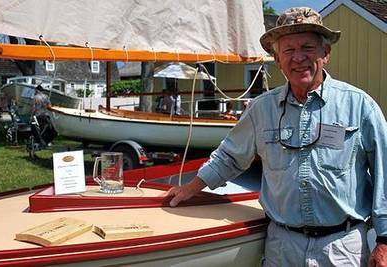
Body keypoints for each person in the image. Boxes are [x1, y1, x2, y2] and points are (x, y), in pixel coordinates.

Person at [166, 7, 387, 267]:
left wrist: (384, 240)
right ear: (278, 59)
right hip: (282, 246)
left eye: (307, 47)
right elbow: (229, 156)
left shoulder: (359, 106)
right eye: (288, 51)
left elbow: (384, 172)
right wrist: (190, 189)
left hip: (342, 247)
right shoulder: (262, 109)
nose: (298, 58)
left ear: (326, 54)